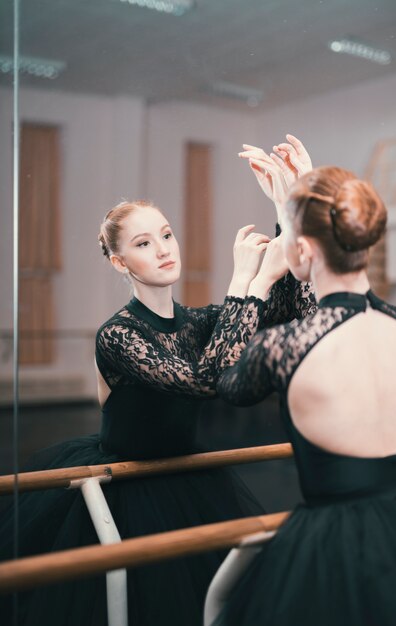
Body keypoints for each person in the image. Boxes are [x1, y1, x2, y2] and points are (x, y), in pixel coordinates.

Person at [0, 192, 316, 625]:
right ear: (119, 262)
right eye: (144, 243)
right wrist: (249, 280)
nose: (164, 248)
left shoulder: (197, 322)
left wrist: (287, 213)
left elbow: (297, 310)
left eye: (166, 235)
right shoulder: (118, 335)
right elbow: (206, 381)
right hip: (125, 491)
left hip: (186, 478)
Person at [208, 149, 396, 625]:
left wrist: (250, 281)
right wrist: (298, 206)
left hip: (336, 547)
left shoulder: (284, 347)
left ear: (301, 251)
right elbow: (329, 315)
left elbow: (225, 379)